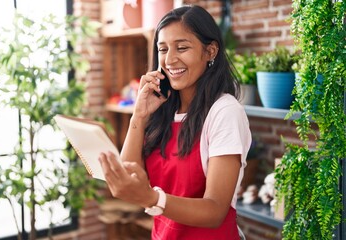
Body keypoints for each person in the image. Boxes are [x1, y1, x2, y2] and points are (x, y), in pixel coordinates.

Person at [99, 5, 251, 240]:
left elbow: (215, 211)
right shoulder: (163, 110)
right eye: (163, 49)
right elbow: (130, 175)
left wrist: (152, 198)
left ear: (210, 51)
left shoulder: (225, 111)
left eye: (182, 47)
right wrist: (138, 115)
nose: (169, 59)